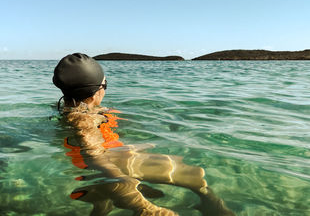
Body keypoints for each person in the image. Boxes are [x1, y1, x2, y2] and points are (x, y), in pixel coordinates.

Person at [53, 53, 234, 216]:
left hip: (110, 156)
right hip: (108, 163)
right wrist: (141, 205)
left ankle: (103, 198)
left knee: (155, 153)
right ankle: (213, 205)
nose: (106, 89)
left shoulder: (77, 111)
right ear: (94, 94)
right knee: (192, 172)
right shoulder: (83, 121)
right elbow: (95, 157)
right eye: (105, 84)